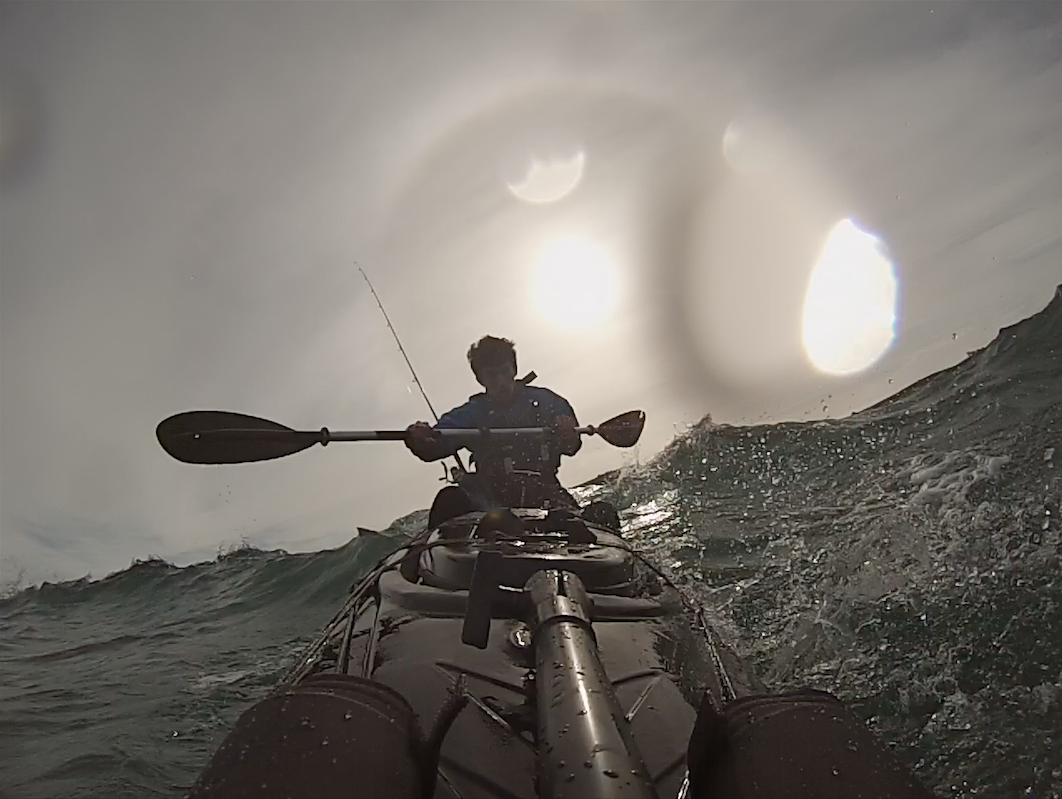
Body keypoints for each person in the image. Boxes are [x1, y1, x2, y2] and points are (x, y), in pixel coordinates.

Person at [404, 336, 584, 521]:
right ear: (480, 379)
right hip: (490, 502)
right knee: (449, 499)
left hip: (546, 493)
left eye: (504, 372)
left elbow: (572, 447)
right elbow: (434, 447)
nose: (500, 382)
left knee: (597, 515)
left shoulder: (548, 402)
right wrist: (419, 439)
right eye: (491, 375)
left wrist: (567, 432)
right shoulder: (471, 414)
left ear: (514, 369)